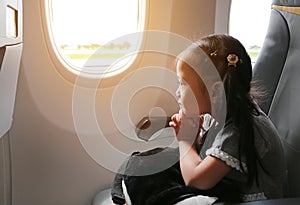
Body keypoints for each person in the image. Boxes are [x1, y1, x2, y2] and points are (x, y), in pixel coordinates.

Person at [169, 34, 286, 202]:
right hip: (229, 186)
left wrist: (185, 140)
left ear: (215, 91)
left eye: (183, 83)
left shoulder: (239, 130)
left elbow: (196, 180)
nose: (177, 92)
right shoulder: (227, 110)